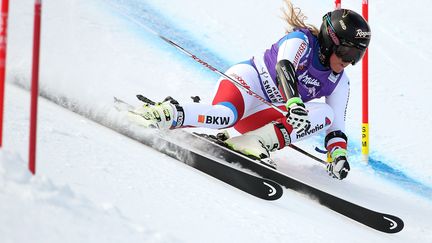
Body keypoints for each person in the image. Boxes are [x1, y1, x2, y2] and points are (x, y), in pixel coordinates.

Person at [129, 2, 371, 180]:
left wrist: (337, 155)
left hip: (264, 115)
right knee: (224, 116)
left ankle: (253, 142)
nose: (349, 61)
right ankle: (161, 114)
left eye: (357, 56)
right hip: (248, 83)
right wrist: (294, 102)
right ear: (331, 41)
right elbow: (284, 66)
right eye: (347, 52)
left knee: (325, 112)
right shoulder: (301, 41)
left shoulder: (340, 81)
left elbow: (335, 125)